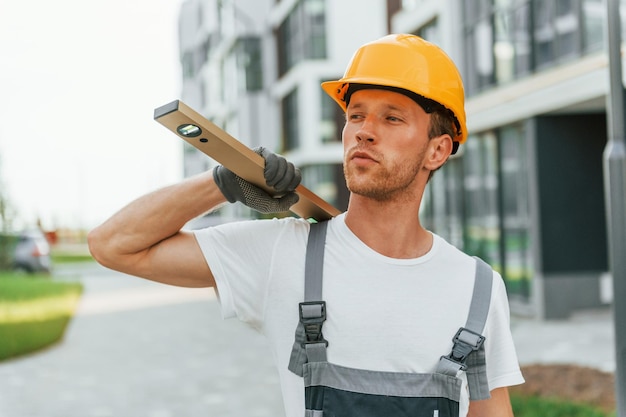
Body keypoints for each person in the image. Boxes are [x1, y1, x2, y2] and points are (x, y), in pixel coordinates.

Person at [89, 34, 524, 417]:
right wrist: (224, 182)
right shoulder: (286, 254)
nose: (364, 132)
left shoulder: (477, 287)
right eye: (356, 115)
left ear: (438, 150)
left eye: (391, 118)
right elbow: (114, 245)